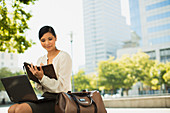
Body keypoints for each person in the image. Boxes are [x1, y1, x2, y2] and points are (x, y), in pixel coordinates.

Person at [8, 26, 72, 113]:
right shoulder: (41, 59)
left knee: (21, 109)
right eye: (43, 40)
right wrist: (36, 78)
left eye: (50, 39)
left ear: (56, 38)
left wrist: (42, 78)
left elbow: (62, 87)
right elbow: (39, 88)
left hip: (60, 99)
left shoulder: (64, 57)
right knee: (12, 108)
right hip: (45, 97)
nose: (47, 43)